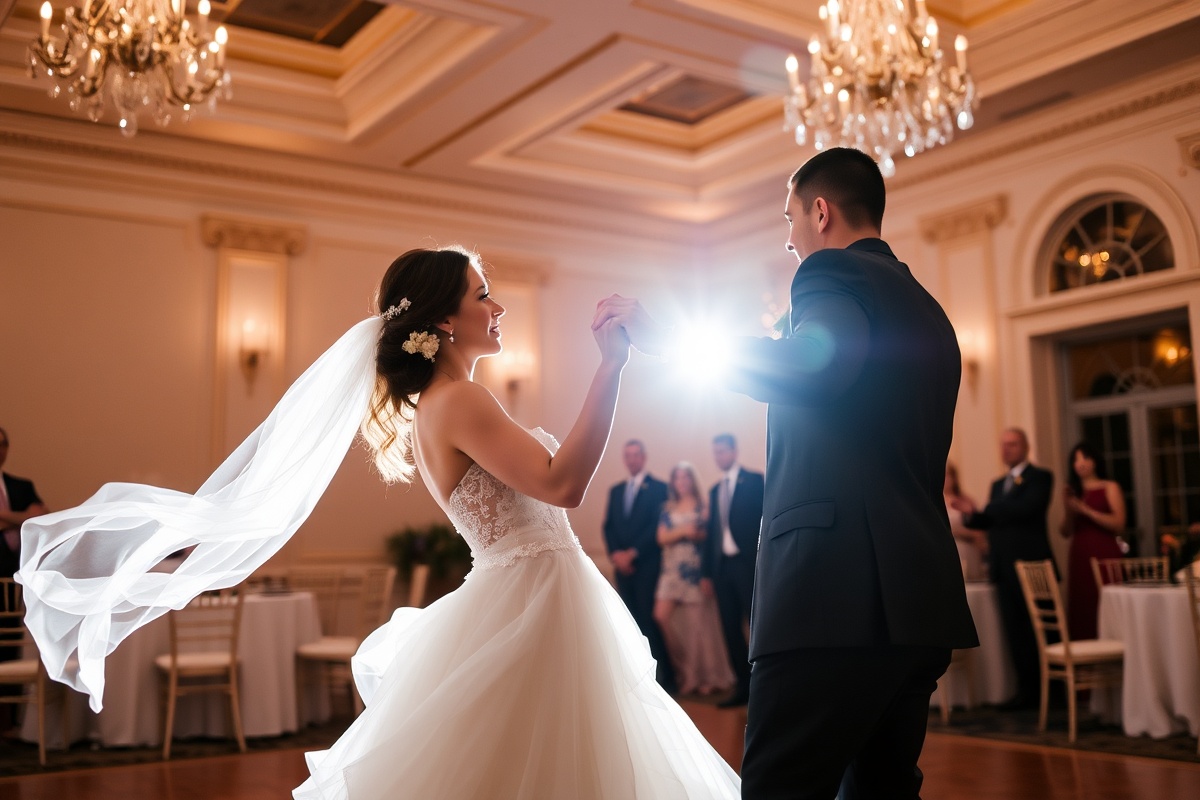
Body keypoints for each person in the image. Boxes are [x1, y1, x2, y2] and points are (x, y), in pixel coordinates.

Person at [17, 247, 739, 799]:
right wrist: (611, 367)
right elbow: (562, 483)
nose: (499, 307)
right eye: (482, 295)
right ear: (444, 321)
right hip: (537, 604)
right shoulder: (458, 402)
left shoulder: (442, 406)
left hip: (537, 595)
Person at [597, 147, 978, 800]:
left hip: (830, 595)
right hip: (916, 600)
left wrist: (672, 341)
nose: (789, 238)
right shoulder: (929, 311)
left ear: (820, 213)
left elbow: (813, 365)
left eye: (790, 218)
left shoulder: (830, 273)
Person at [953, 427, 1055, 710]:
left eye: (1012, 444)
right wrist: (971, 515)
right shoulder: (999, 485)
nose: (1006, 449)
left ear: (1026, 446)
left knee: (1038, 631)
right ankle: (1025, 690)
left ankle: (1049, 692)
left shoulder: (1040, 477)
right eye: (1003, 445)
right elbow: (990, 520)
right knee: (1015, 632)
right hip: (1003, 568)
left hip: (1032, 567)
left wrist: (990, 509)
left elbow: (1026, 509)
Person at [653, 461, 734, 697]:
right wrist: (683, 531)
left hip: (694, 571)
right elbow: (661, 538)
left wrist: (682, 533)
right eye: (677, 478)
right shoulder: (667, 508)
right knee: (660, 617)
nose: (682, 482)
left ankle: (705, 678)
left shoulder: (703, 505)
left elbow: (706, 535)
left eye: (685, 477)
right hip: (670, 571)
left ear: (692, 479)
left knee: (698, 628)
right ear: (673, 482)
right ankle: (683, 671)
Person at [602, 439, 675, 692]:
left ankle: (665, 677)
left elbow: (656, 526)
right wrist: (617, 555)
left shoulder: (659, 488)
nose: (631, 459)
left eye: (636, 455)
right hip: (622, 568)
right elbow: (608, 526)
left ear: (643, 457)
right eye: (628, 455)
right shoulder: (616, 490)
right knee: (630, 621)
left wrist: (633, 554)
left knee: (648, 619)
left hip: (647, 565)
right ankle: (640, 676)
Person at [700, 433, 763, 708]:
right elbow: (712, 534)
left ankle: (763, 687)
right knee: (729, 629)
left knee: (756, 626)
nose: (719, 456)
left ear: (734, 451)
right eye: (715, 452)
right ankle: (742, 687)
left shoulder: (755, 481)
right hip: (722, 568)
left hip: (747, 564)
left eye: (723, 451)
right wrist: (706, 573)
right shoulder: (715, 490)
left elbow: (764, 520)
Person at [1060, 441, 1126, 640]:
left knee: (1106, 600)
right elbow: (1065, 531)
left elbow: (1119, 523)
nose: (1080, 463)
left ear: (1095, 461)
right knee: (1083, 602)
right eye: (1076, 459)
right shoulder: (1073, 492)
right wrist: (1069, 510)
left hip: (1104, 551)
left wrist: (1086, 511)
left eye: (1085, 458)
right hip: (1080, 554)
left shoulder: (1110, 487)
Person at [0, 427, 48, 579]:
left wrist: (3, 517)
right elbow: (29, 519)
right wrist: (21, 519)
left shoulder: (21, 486)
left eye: (3, 444)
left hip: (18, 569)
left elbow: (39, 516)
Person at [945, 462, 988, 581]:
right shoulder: (933, 503)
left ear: (954, 478)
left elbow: (979, 531)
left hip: (966, 548)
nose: (945, 479)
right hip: (946, 550)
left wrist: (959, 532)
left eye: (948, 475)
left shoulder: (965, 500)